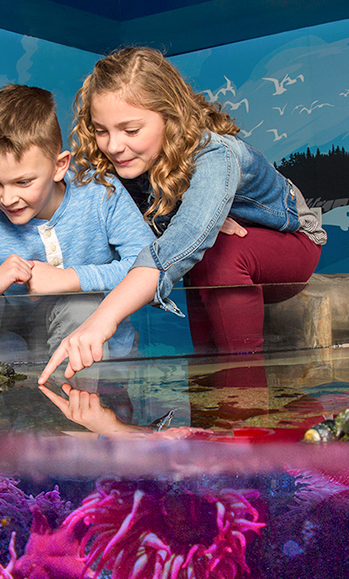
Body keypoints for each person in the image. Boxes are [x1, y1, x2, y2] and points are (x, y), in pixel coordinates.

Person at [39, 47, 325, 383]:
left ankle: (247, 394)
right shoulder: (123, 166)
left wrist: (102, 320)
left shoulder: (216, 154)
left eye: (131, 131)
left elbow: (180, 243)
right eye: (102, 131)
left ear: (171, 117)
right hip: (211, 263)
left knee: (218, 252)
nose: (114, 146)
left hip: (291, 246)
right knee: (203, 264)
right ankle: (206, 406)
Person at [0, 84, 155, 360]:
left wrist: (68, 279)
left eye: (23, 182)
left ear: (59, 166)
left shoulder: (101, 193)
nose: (8, 198)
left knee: (78, 305)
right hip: (28, 362)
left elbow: (152, 265)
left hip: (108, 360)